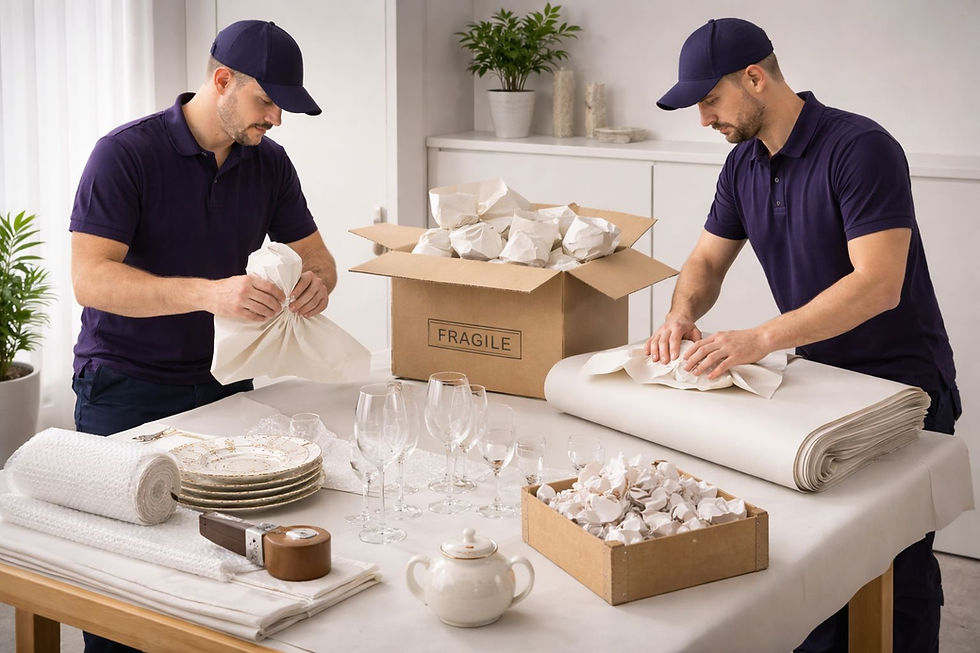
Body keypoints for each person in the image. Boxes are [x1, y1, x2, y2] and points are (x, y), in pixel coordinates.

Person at [648, 17, 959, 653]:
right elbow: (707, 262)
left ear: (755, 79)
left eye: (710, 100)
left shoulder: (860, 147)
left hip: (905, 385)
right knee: (822, 568)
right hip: (821, 385)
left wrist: (760, 338)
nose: (703, 120)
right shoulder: (741, 166)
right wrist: (681, 311)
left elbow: (879, 284)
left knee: (895, 564)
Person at [68, 20, 333, 653]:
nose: (276, 119)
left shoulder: (268, 161)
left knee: (220, 576)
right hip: (124, 389)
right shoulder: (125, 154)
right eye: (267, 103)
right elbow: (91, 280)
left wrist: (318, 283)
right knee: (124, 581)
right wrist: (211, 293)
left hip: (223, 391)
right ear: (222, 81)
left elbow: (318, 259)